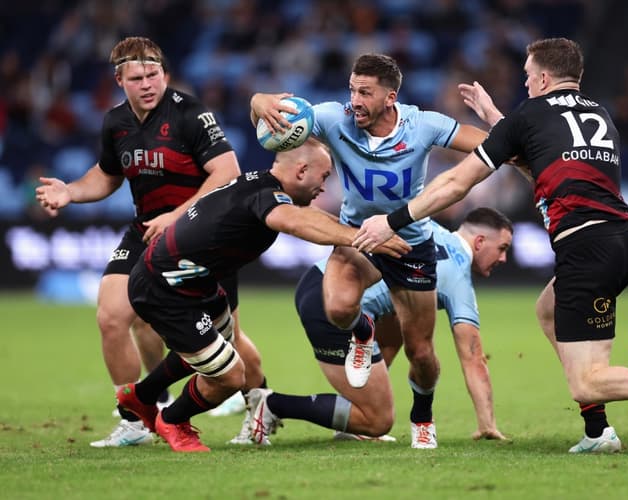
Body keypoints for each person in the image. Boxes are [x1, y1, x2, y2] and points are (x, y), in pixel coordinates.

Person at [353, 37, 628, 452]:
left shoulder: (529, 114)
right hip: (621, 239)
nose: (526, 84)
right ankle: (597, 432)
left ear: (545, 77)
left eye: (529, 77)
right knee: (547, 310)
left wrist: (394, 220)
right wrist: (499, 118)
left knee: (587, 381)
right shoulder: (599, 114)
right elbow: (542, 161)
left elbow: (458, 182)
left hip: (585, 247)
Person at [249, 53, 490, 449]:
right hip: (360, 237)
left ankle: (422, 415)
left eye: (365, 92)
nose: (355, 100)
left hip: (410, 245)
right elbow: (272, 111)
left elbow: (485, 147)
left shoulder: (423, 125)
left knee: (422, 352)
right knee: (340, 308)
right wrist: (258, 100)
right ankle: (364, 334)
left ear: (390, 97)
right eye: (352, 90)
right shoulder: (332, 118)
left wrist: (498, 123)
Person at [34, 37, 264, 448]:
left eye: (153, 74)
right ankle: (138, 417)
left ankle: (258, 409)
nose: (147, 83)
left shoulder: (191, 114)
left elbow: (228, 172)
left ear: (166, 75)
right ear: (120, 80)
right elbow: (107, 176)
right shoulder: (116, 123)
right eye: (137, 77)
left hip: (202, 236)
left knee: (227, 338)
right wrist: (69, 191)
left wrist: (176, 216)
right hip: (146, 231)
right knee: (112, 317)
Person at [115, 139, 409, 452]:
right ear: (301, 170)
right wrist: (362, 239)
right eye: (323, 177)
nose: (324, 187)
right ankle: (173, 420)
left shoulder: (259, 183)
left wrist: (360, 234)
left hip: (195, 282)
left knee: (212, 350)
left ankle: (142, 397)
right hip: (164, 288)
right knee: (230, 375)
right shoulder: (267, 196)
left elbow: (308, 218)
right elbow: (293, 221)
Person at [229, 207, 513, 446]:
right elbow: (473, 357)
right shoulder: (457, 278)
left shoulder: (425, 226)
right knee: (378, 421)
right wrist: (487, 424)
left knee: (406, 320)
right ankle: (272, 404)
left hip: (321, 282)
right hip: (333, 307)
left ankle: (352, 421)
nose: (504, 259)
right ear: (478, 242)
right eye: (502, 248)